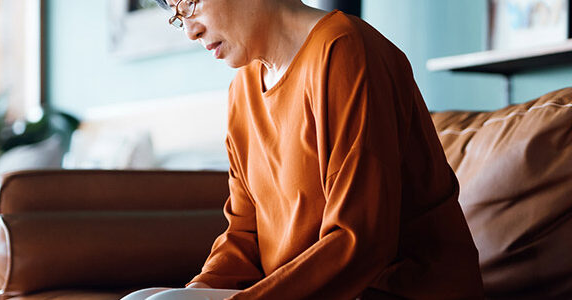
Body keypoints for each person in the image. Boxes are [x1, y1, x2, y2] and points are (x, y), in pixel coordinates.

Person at [124, 0, 484, 299]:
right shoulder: (243, 90)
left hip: (391, 290)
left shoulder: (345, 49)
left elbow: (360, 241)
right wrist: (198, 291)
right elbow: (244, 233)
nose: (191, 30)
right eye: (177, 17)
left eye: (190, 3)